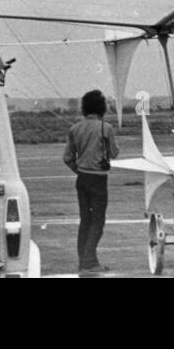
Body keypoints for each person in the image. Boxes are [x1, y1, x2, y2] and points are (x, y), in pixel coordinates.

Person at [62, 89, 119, 274]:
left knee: (85, 220)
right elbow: (114, 153)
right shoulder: (106, 128)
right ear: (101, 107)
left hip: (82, 178)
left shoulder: (74, 129)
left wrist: (78, 169)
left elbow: (67, 157)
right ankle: (89, 261)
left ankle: (85, 260)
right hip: (98, 179)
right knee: (98, 221)